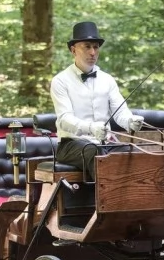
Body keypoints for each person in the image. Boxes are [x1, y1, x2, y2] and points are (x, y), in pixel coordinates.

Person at [50, 21, 144, 181]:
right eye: (87, 46)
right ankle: (107, 204)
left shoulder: (107, 80)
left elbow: (120, 112)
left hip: (103, 143)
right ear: (73, 50)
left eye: (96, 47)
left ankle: (135, 202)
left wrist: (130, 121)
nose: (93, 52)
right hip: (70, 145)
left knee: (134, 153)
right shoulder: (60, 81)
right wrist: (90, 128)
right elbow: (64, 119)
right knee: (95, 152)